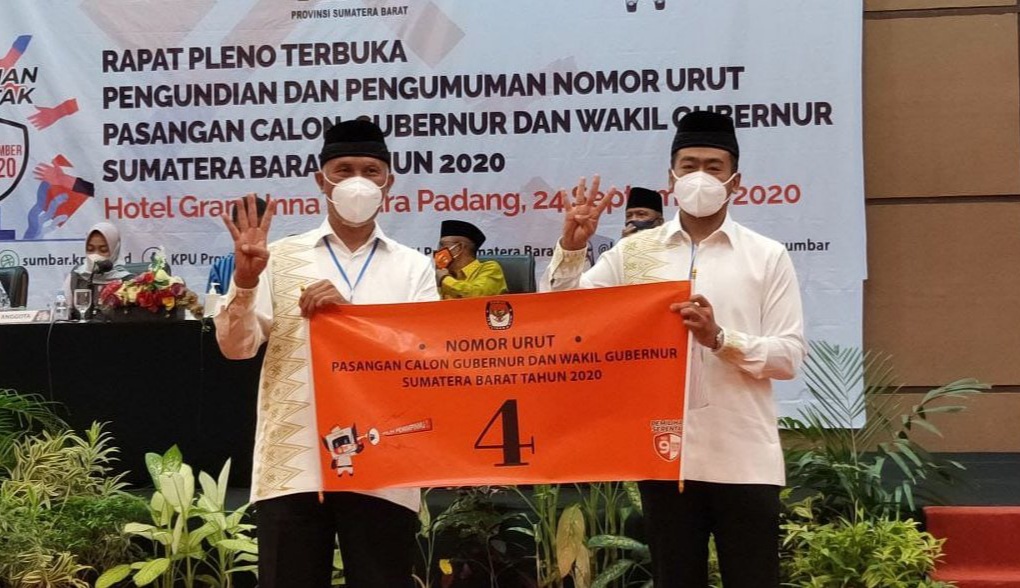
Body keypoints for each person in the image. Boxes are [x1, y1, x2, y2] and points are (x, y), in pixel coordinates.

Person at [541, 111, 806, 587]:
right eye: (689, 166)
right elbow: (566, 317)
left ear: (735, 182)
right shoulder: (635, 252)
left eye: (713, 167)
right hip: (665, 457)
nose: (700, 177)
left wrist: (720, 339)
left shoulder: (767, 256)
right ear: (670, 178)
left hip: (744, 457)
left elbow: (788, 356)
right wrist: (572, 248)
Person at [214, 118, 438, 588]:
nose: (358, 182)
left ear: (389, 183)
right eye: (343, 170)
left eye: (371, 171)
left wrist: (349, 316)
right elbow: (236, 350)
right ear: (321, 180)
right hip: (295, 463)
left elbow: (425, 360)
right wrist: (247, 282)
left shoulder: (413, 267)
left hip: (385, 461)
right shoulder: (278, 257)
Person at [65, 221, 131, 316]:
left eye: (103, 250)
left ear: (114, 250)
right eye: (90, 249)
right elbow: (63, 313)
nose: (95, 255)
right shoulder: (76, 276)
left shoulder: (127, 281)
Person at [206, 196, 267, 294]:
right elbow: (212, 303)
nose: (251, 235)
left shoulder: (280, 264)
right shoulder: (220, 267)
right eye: (245, 228)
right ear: (234, 226)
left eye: (258, 228)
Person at [435, 219, 508, 299]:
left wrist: (444, 279)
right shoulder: (441, 273)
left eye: (442, 245)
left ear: (459, 247)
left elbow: (477, 295)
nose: (438, 250)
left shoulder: (490, 268)